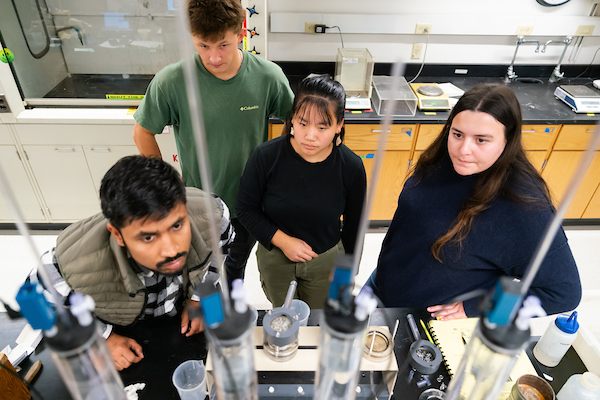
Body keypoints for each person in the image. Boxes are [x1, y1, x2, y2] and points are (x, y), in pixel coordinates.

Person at [373, 83, 581, 320]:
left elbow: (563, 292)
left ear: (508, 140)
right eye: (457, 134)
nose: (463, 150)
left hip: (427, 319)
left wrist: (480, 307)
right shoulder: (440, 160)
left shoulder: (525, 207)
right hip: (381, 287)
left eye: (481, 140)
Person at [132, 0, 294, 285]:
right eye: (203, 46)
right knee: (200, 273)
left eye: (223, 45)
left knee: (235, 268)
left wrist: (278, 165)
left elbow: (294, 122)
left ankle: (233, 309)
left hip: (250, 203)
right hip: (197, 203)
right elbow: (142, 132)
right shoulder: (172, 81)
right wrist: (166, 183)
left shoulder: (268, 77)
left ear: (241, 33)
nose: (214, 57)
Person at [28, 155, 233, 370]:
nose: (172, 250)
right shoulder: (73, 260)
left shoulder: (211, 216)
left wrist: (199, 298)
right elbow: (34, 308)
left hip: (178, 327)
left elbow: (220, 248)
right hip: (123, 333)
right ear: (117, 234)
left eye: (176, 226)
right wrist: (100, 338)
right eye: (148, 237)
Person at [236, 75, 367, 309]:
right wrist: (284, 242)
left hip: (326, 258)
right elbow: (246, 209)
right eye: (303, 123)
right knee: (284, 317)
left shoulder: (351, 167)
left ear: (339, 125)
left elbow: (354, 226)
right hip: (276, 257)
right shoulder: (266, 157)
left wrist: (347, 271)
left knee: (318, 320)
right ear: (293, 118)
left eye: (322, 126)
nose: (310, 135)